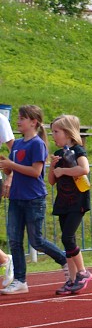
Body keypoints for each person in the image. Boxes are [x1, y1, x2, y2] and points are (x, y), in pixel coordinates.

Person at [0, 105, 70, 295]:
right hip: (16, 197)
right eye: (18, 118)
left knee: (36, 241)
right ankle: (20, 280)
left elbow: (35, 171)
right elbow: (11, 170)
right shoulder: (17, 144)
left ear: (33, 122)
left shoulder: (37, 144)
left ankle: (65, 261)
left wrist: (11, 164)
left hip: (33, 199)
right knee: (14, 240)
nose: (18, 121)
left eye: (22, 118)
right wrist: (5, 165)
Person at [48, 115, 92, 295]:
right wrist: (52, 167)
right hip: (63, 202)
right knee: (67, 241)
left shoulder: (77, 150)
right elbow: (52, 180)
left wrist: (63, 170)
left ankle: (83, 272)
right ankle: (72, 280)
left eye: (56, 132)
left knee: (68, 237)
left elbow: (84, 169)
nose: (53, 135)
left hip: (77, 200)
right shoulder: (58, 153)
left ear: (67, 132)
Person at [0, 111, 15, 287]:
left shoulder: (0, 119)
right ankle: (5, 259)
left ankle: (5, 259)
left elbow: (17, 152)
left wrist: (11, 176)